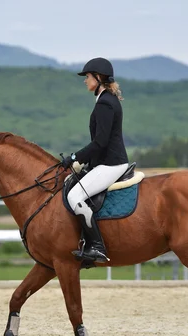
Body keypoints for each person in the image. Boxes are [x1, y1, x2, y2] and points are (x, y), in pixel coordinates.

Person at [61, 57, 129, 263]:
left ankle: (97, 247)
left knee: (75, 198)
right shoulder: (105, 99)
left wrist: (75, 158)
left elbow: (100, 142)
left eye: (88, 77)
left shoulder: (105, 104)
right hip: (105, 162)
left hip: (111, 164)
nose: (85, 80)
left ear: (98, 78)